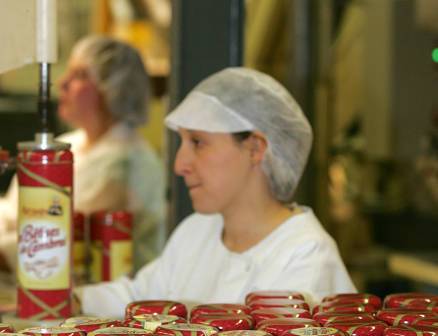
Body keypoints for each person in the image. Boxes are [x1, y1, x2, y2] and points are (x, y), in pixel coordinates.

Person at [76, 67, 356, 317]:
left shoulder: (305, 256)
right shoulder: (198, 230)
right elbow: (140, 298)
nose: (179, 164)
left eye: (198, 142)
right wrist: (72, 300)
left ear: (256, 148)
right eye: (182, 142)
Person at [0, 35, 166, 272]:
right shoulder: (67, 146)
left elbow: (65, 239)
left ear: (113, 89)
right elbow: (11, 212)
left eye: (80, 75)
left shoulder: (130, 164)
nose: (63, 83)